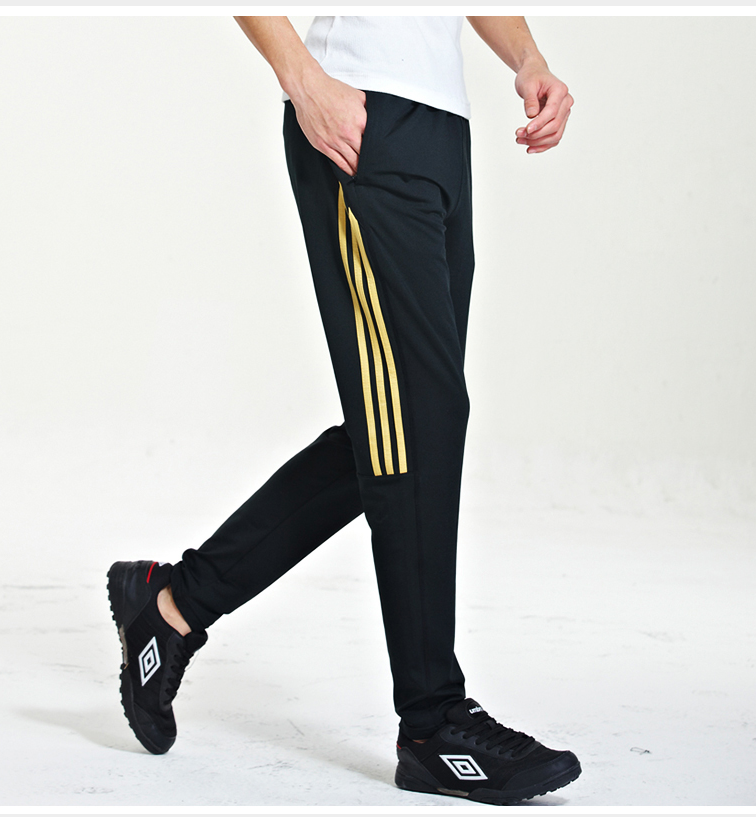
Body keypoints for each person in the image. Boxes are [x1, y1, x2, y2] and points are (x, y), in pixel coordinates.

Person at [107, 15, 577, 806]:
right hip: (360, 118)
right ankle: (432, 722)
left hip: (441, 127)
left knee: (405, 430)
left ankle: (173, 604)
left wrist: (528, 58)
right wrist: (305, 82)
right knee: (412, 427)